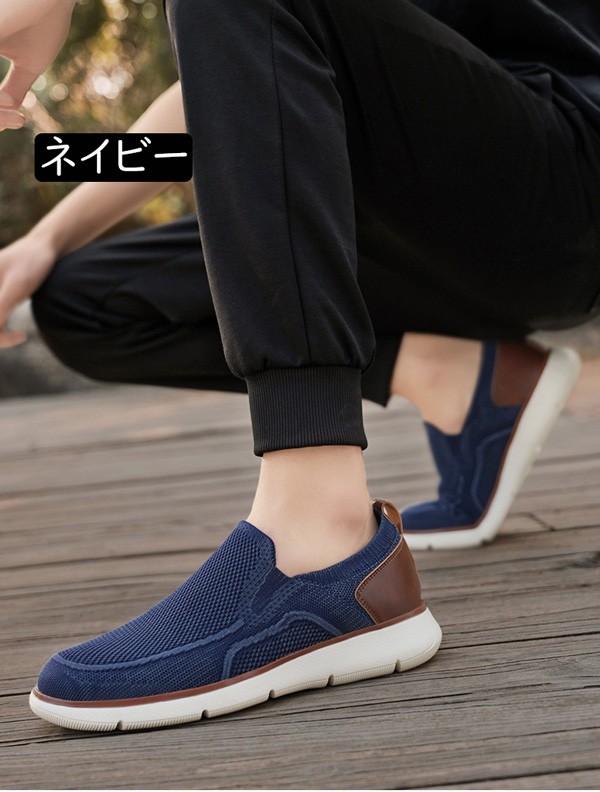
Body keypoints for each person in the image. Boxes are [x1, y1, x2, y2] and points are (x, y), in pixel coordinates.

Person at [1, 0, 598, 731]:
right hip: (404, 213)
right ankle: (454, 375)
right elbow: (227, 97)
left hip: (561, 182)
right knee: (79, 299)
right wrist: (43, 238)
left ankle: (319, 534)